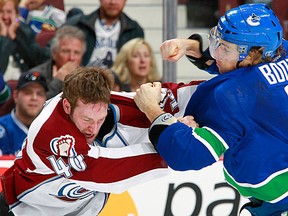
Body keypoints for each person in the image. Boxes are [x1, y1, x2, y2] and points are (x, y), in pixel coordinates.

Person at [134, 3, 288, 215]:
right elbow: (243, 71)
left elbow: (186, 154)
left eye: (224, 47)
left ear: (253, 54)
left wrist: (152, 109)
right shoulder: (281, 51)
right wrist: (190, 46)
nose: (217, 53)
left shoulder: (231, 95)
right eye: (217, 41)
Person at [0, 66, 168, 216]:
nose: (93, 129)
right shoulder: (52, 132)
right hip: (18, 207)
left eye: (99, 120)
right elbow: (104, 171)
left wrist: (165, 117)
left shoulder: (98, 108)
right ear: (67, 107)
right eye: (87, 120)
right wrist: (171, 148)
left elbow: (145, 102)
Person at [63, 0, 144, 68]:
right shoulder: (77, 24)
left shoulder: (135, 30)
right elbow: (52, 51)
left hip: (118, 84)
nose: (112, 2)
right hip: (82, 81)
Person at [29, 25, 86, 99]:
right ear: (54, 53)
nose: (71, 58)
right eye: (66, 51)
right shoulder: (37, 75)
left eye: (77, 53)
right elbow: (38, 107)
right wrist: (58, 82)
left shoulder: (88, 78)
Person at [0, 71, 47, 156]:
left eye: (39, 94)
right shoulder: (2, 128)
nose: (34, 98)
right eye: (28, 93)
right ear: (15, 95)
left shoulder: (51, 130)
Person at [0, 0, 50, 80]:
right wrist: (3, 37)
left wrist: (14, 37)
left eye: (9, 12)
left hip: (24, 82)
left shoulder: (23, 31)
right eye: (0, 12)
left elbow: (37, 60)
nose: (5, 17)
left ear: (16, 14)